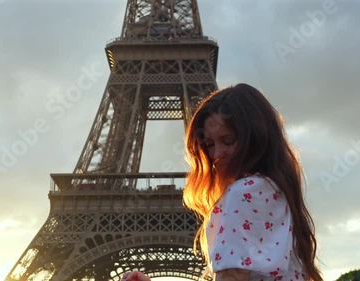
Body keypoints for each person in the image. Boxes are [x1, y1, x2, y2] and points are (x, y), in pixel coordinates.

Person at [122, 84, 323, 281]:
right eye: (209, 144)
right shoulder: (275, 191)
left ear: (255, 137)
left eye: (227, 141)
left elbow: (233, 277)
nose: (216, 154)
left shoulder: (244, 193)